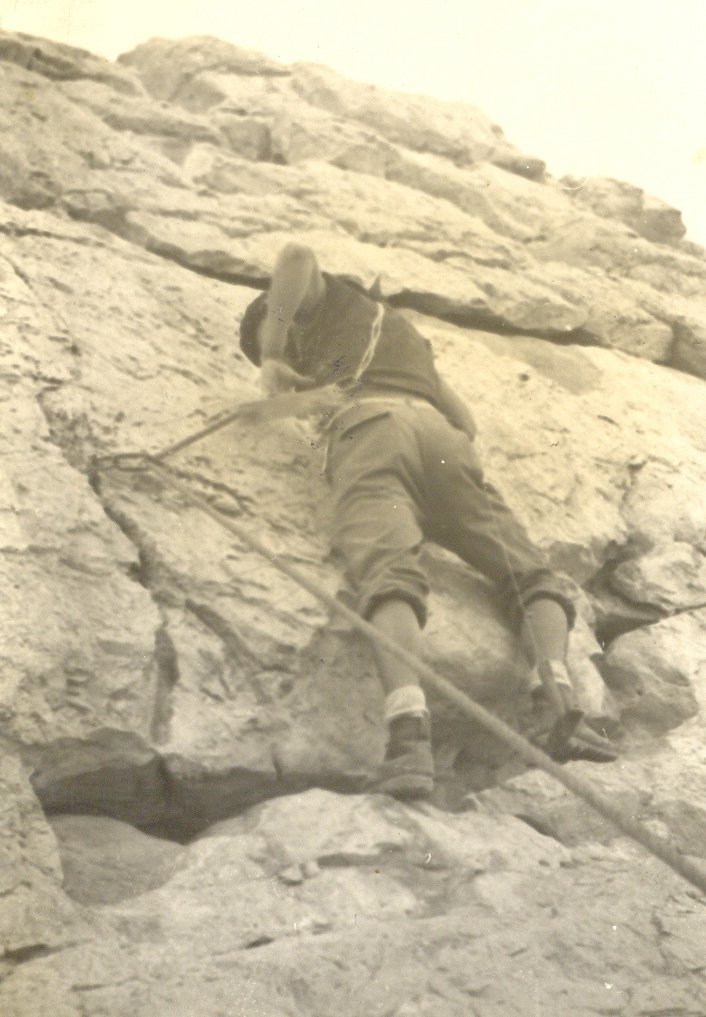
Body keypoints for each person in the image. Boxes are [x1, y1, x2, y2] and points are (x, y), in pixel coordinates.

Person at [239, 242, 617, 799]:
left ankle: (409, 739)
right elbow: (465, 422)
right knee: (529, 573)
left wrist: (271, 354)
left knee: (388, 572)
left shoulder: (316, 308)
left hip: (370, 433)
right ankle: (559, 703)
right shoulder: (396, 332)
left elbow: (294, 256)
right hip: (441, 442)